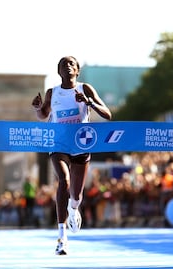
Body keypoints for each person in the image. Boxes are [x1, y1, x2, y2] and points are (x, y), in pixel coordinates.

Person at [31, 56, 112, 255]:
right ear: (58, 72)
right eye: (63, 65)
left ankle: (74, 207)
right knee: (63, 181)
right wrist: (37, 109)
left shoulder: (85, 89)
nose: (67, 66)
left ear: (77, 71)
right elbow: (44, 115)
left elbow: (108, 114)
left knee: (75, 195)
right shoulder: (53, 92)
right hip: (58, 144)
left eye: (71, 64)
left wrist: (89, 102)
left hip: (82, 145)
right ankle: (62, 237)